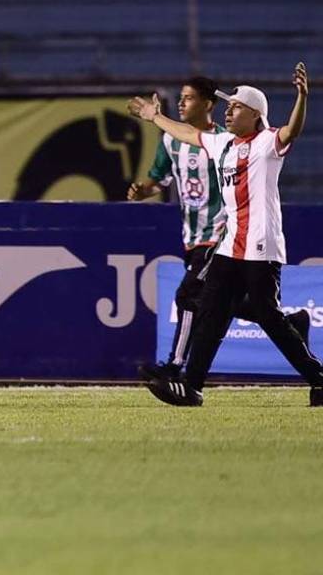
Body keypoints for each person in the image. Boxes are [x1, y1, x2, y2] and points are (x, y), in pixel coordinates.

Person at [128, 64, 323, 407]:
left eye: (236, 107)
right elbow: (186, 134)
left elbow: (291, 131)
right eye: (228, 106)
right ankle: (191, 386)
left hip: (261, 246)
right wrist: (153, 117)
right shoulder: (224, 144)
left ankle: (318, 376)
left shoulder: (266, 142)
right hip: (230, 245)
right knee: (211, 312)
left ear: (255, 114)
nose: (229, 112)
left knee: (267, 316)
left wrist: (302, 97)